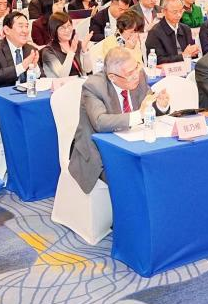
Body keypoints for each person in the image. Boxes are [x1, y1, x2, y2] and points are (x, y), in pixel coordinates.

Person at [69, 47, 171, 194]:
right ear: (112, 77)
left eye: (136, 67)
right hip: (100, 151)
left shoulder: (139, 75)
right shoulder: (94, 86)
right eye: (129, 73)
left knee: (162, 166)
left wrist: (161, 105)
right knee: (132, 179)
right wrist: (139, 115)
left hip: (134, 144)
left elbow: (147, 105)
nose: (136, 75)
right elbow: (100, 122)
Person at [0, 11, 39, 170]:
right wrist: (22, 66)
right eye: (20, 26)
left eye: (27, 26)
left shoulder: (30, 49)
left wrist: (34, 68)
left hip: (22, 96)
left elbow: (41, 77)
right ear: (7, 30)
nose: (25, 30)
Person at [145, 0, 200, 64]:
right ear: (164, 12)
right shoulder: (154, 32)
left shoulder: (185, 29)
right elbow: (158, 60)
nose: (179, 15)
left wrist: (194, 51)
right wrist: (183, 56)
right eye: (175, 12)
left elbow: (192, 55)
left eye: (181, 11)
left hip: (187, 66)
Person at [41, 12, 86, 78]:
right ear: (54, 30)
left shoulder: (76, 43)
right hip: (62, 84)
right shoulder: (48, 51)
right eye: (62, 28)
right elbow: (62, 76)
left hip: (81, 81)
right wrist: (71, 52)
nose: (67, 30)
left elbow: (88, 70)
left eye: (69, 25)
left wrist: (85, 52)